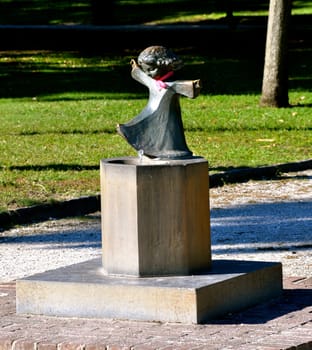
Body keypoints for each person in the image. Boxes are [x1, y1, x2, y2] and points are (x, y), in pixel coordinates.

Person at [117, 46, 201, 159]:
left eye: (151, 69)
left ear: (166, 66)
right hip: (150, 112)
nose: (148, 74)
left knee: (169, 134)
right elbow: (140, 76)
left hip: (168, 117)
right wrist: (136, 68)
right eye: (145, 70)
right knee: (143, 127)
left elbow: (187, 88)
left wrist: (194, 85)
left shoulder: (171, 86)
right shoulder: (153, 82)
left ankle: (174, 150)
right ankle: (150, 148)